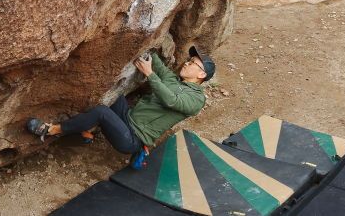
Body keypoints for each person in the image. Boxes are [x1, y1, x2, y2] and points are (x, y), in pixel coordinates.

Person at [26, 45, 215, 164]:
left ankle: (51, 131)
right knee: (111, 92)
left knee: (101, 111)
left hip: (133, 138)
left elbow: (172, 100)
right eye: (189, 60)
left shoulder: (197, 100)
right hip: (127, 117)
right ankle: (86, 130)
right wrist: (147, 45)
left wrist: (150, 74)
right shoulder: (174, 79)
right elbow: (158, 64)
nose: (187, 63)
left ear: (201, 75)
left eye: (192, 63)